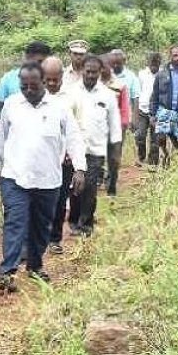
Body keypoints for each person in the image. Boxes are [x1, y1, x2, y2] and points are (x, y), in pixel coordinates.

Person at [0, 61, 86, 292]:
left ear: (43, 83)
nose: (29, 90)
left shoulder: (59, 107)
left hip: (48, 178)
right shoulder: (11, 104)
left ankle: (35, 265)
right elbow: (1, 137)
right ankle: (6, 272)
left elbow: (74, 138)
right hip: (14, 177)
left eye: (33, 85)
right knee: (15, 222)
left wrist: (80, 168)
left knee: (41, 225)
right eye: (24, 86)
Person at [71, 55, 121, 235]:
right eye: (88, 71)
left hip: (95, 150)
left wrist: (115, 150)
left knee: (90, 188)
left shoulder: (107, 95)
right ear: (82, 70)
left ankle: (86, 224)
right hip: (74, 149)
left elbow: (114, 124)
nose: (91, 75)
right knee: (75, 188)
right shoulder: (71, 92)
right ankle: (74, 220)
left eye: (94, 72)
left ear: (100, 72)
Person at [42, 56, 78, 255]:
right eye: (48, 79)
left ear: (62, 77)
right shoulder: (32, 96)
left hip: (64, 159)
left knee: (60, 198)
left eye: (55, 79)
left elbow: (77, 129)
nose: (52, 84)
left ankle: (55, 238)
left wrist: (75, 157)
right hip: (40, 158)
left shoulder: (71, 97)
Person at [149, 45, 178, 166]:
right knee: (160, 138)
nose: (176, 58)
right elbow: (154, 95)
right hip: (164, 111)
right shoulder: (161, 74)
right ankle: (165, 154)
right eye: (174, 55)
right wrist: (152, 114)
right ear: (170, 56)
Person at [99, 56, 129, 196]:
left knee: (114, 159)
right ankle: (98, 181)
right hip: (98, 128)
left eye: (106, 66)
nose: (103, 69)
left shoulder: (120, 85)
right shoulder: (94, 85)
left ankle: (111, 186)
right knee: (97, 157)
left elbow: (124, 108)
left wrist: (123, 124)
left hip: (115, 128)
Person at [135, 53, 161, 167]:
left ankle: (153, 161)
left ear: (159, 64)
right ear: (148, 63)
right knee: (140, 135)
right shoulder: (141, 74)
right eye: (152, 64)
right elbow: (137, 91)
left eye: (156, 64)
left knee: (155, 139)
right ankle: (141, 157)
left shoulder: (164, 74)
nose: (154, 67)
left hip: (157, 111)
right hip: (142, 109)